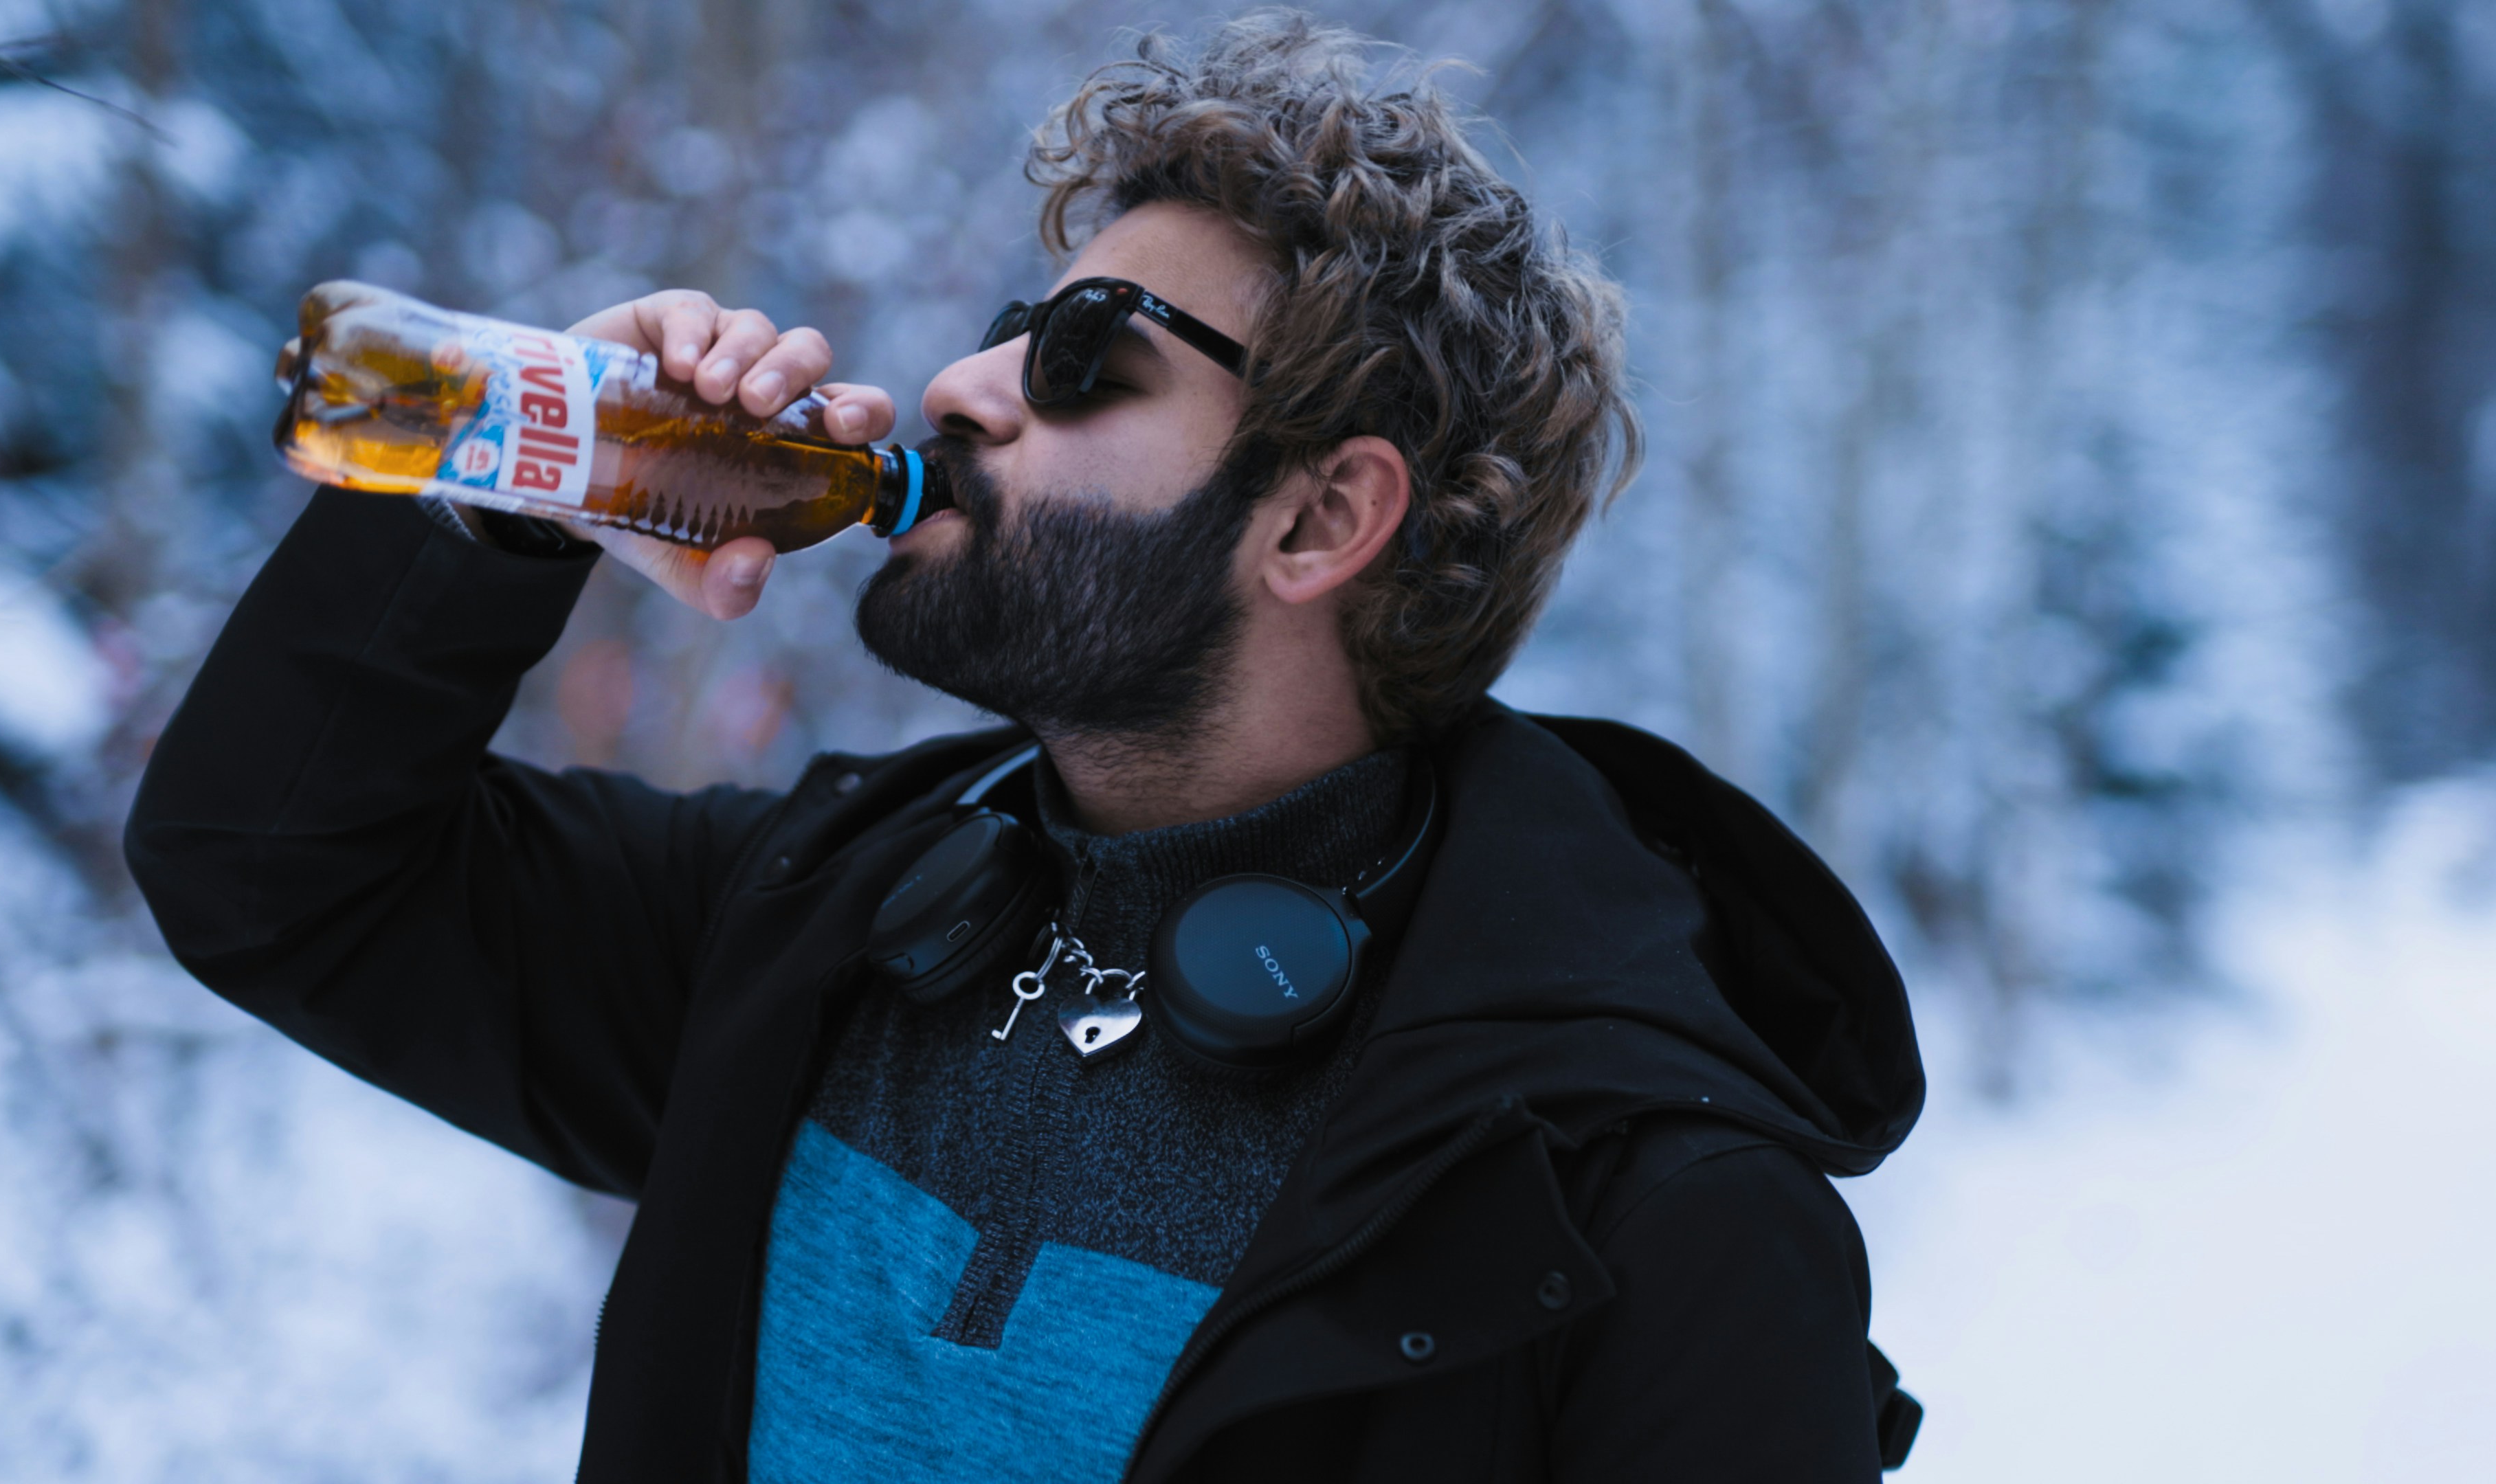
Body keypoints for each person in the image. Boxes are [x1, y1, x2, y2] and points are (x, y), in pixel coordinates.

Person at [126, 11, 1925, 1481]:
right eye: (1008, 331)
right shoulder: (821, 922)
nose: (963, 389)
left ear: (1318, 525)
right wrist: (505, 491)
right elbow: (274, 873)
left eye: (1082, 355)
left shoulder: (1649, 1213)